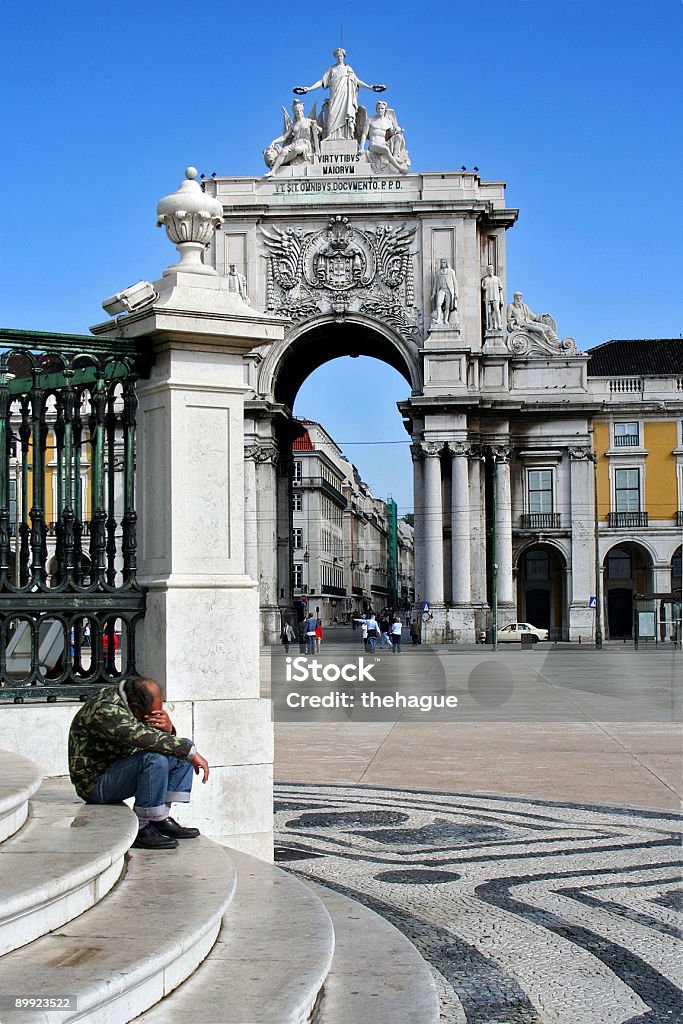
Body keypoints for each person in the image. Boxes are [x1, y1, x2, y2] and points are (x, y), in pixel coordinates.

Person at [68, 676, 210, 851]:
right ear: (135, 707)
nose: (156, 715)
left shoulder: (129, 702)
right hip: (95, 785)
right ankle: (142, 827)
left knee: (182, 751)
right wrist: (188, 750)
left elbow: (156, 739)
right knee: (156, 758)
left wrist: (168, 729)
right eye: (152, 713)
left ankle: (159, 818)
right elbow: (141, 737)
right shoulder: (106, 710)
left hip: (119, 770)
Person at [294, 47, 385, 141]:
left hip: (346, 97)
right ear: (335, 57)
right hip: (335, 96)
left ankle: (346, 136)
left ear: (343, 56)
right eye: (337, 56)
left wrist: (370, 87)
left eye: (341, 55)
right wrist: (309, 88)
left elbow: (357, 81)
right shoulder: (331, 69)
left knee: (346, 115)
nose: (339, 57)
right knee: (332, 115)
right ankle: (331, 136)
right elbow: (322, 81)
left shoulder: (348, 69)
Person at [264, 99, 322, 177]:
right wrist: (274, 141)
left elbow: (321, 131)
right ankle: (273, 171)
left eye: (300, 111)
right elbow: (284, 137)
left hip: (305, 143)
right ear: (294, 112)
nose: (299, 113)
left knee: (297, 149)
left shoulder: (308, 121)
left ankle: (280, 163)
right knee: (284, 151)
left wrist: (316, 127)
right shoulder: (293, 125)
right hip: (295, 142)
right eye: (297, 112)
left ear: (302, 110)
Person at [359, 101, 410, 174]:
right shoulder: (370, 120)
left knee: (398, 137)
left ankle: (394, 156)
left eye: (382, 109)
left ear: (385, 109)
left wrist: (398, 131)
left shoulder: (387, 122)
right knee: (385, 149)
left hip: (383, 143)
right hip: (373, 145)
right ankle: (399, 168)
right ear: (376, 109)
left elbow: (392, 134)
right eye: (378, 108)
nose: (380, 110)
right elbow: (364, 134)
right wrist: (361, 148)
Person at [431, 259, 459, 327]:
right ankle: (438, 319)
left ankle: (445, 320)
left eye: (443, 262)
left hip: (449, 291)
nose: (442, 264)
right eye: (441, 262)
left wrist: (456, 293)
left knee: (447, 306)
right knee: (438, 303)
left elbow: (455, 283)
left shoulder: (451, 271)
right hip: (441, 290)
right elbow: (435, 284)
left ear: (446, 263)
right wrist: (433, 293)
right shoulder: (438, 273)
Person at [481, 264, 504, 332]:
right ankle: (490, 326)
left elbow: (500, 290)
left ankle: (499, 324)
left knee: (497, 310)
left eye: (492, 270)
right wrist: (483, 287)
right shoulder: (485, 279)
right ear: (487, 271)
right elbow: (483, 287)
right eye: (489, 270)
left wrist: (501, 299)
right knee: (489, 312)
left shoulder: (496, 279)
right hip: (488, 297)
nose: (491, 271)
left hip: (496, 297)